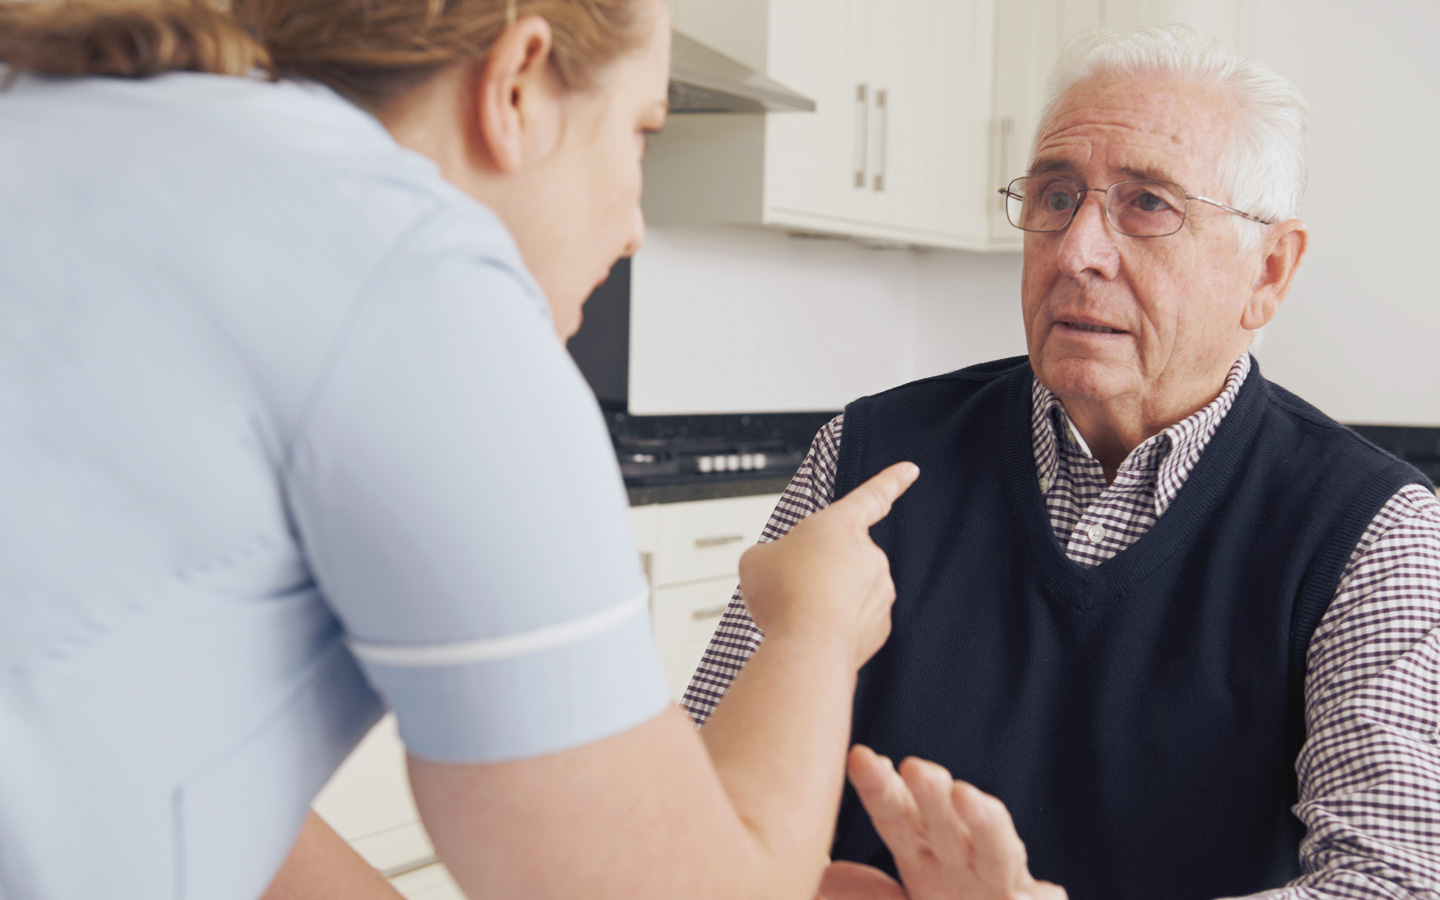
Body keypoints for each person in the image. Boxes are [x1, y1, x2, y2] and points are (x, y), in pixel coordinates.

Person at [0, 1, 927, 898]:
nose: (637, 220)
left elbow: (165, 751)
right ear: (516, 85)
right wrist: (813, 626)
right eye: (641, 133)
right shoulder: (418, 275)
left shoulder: (87, 130)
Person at [684, 23, 1440, 900]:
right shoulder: (866, 460)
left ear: (1268, 271)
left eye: (1148, 204)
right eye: (1055, 195)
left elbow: (1393, 882)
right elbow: (697, 805)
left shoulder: (1373, 534)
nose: (1077, 250)